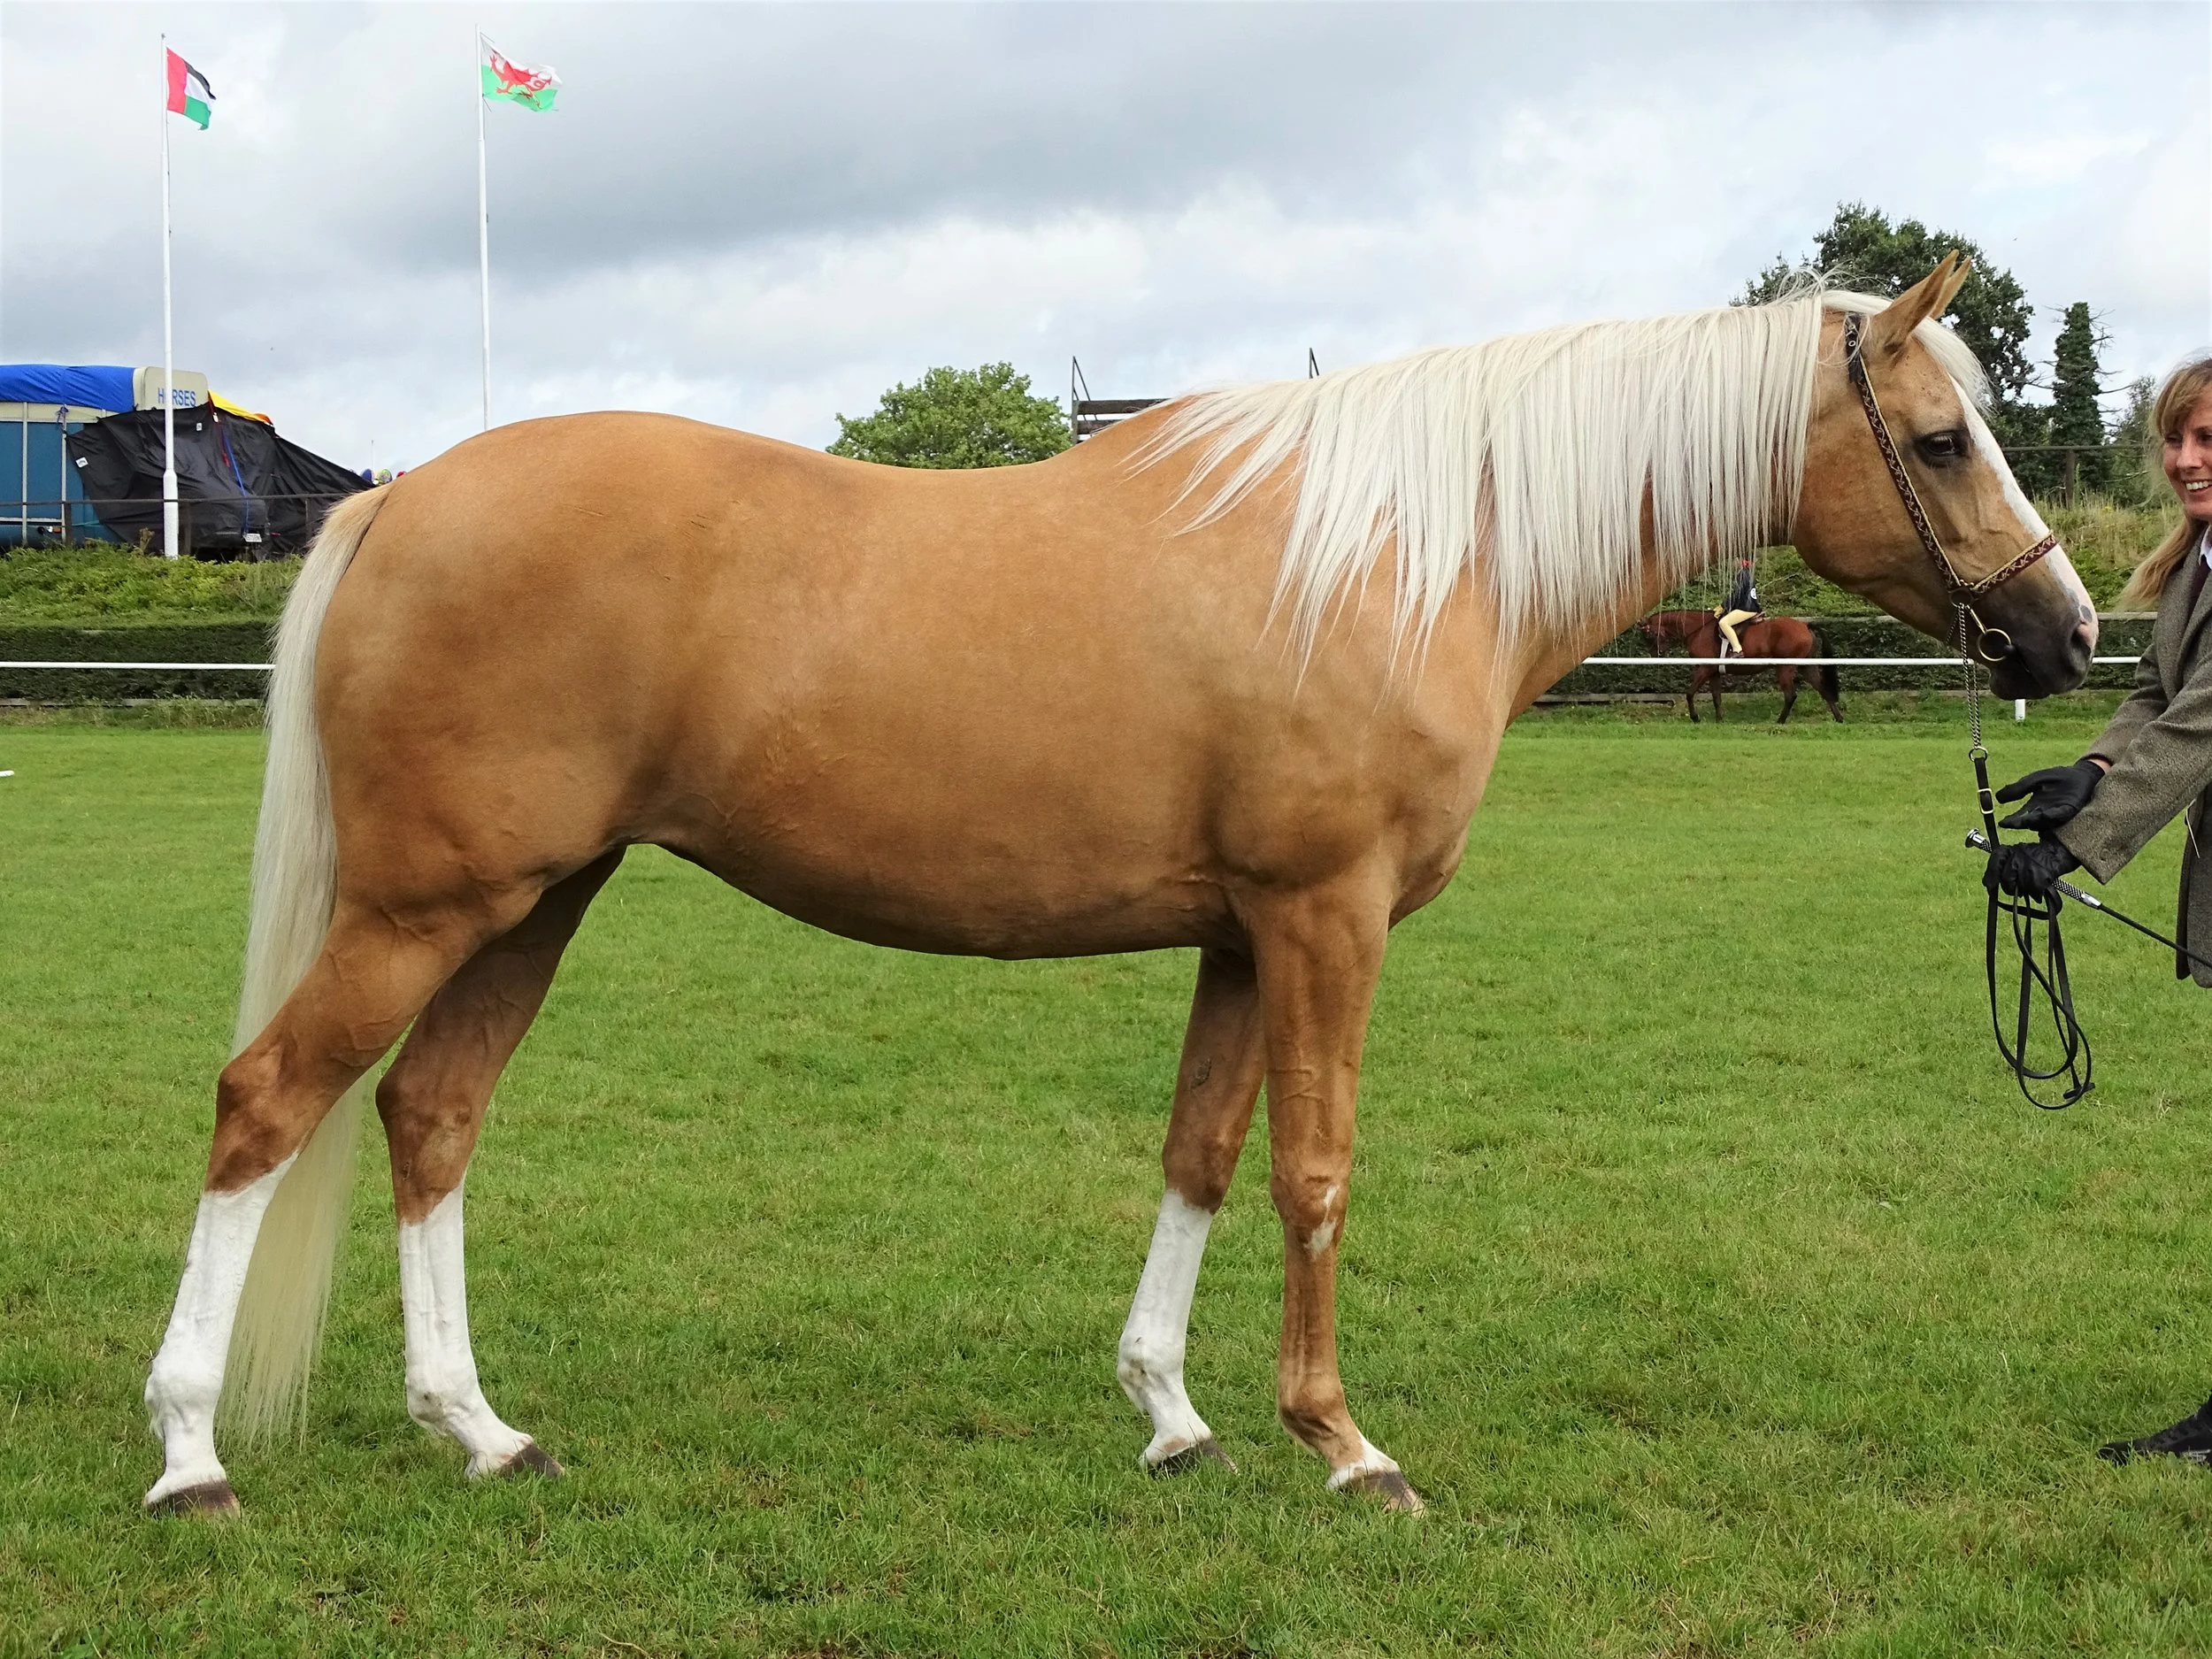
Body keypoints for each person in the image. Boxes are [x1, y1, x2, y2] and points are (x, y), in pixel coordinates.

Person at [1990, 351, 2212, 1464]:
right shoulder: (2195, 564)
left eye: (2206, 440)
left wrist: (2077, 845)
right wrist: (2085, 769)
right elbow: (2151, 697)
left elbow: (2206, 722)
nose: (2182, 460)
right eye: (2174, 439)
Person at [1714, 559, 1762, 658]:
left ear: (1740, 562)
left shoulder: (1743, 575)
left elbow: (1736, 594)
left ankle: (1737, 650)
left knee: (1724, 623)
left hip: (1746, 608)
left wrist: (1723, 606)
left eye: (1734, 560)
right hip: (1749, 606)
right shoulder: (1747, 574)